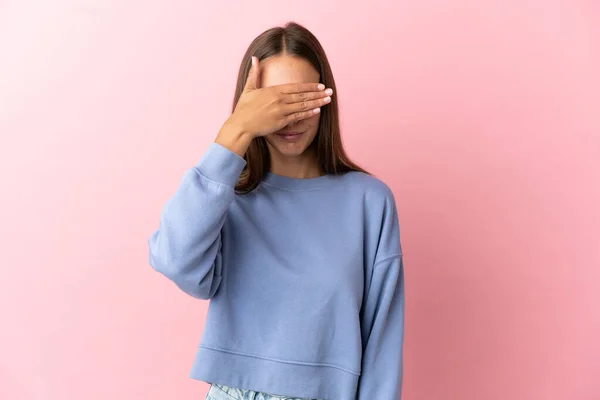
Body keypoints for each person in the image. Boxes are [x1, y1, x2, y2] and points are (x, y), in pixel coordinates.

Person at [148, 21, 405, 400]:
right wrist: (234, 133)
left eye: (303, 99)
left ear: (326, 100)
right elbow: (174, 261)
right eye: (274, 103)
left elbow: (383, 340)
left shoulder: (368, 201)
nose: (291, 118)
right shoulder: (223, 198)